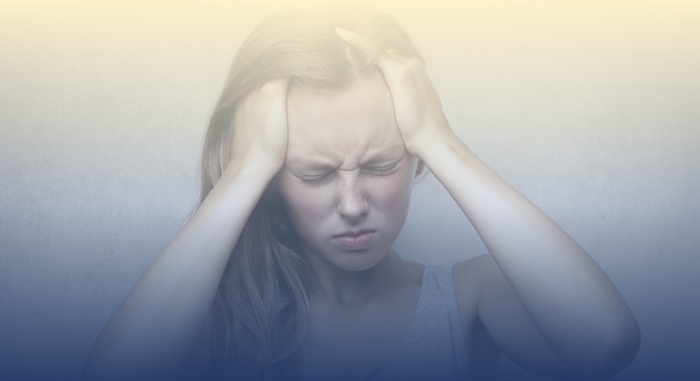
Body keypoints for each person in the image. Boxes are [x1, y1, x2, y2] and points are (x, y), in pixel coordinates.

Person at [81, 7, 640, 381]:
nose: (352, 205)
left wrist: (437, 138)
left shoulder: (471, 298)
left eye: (380, 164)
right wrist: (245, 170)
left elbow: (607, 342)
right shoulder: (214, 318)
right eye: (315, 174)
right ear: (274, 182)